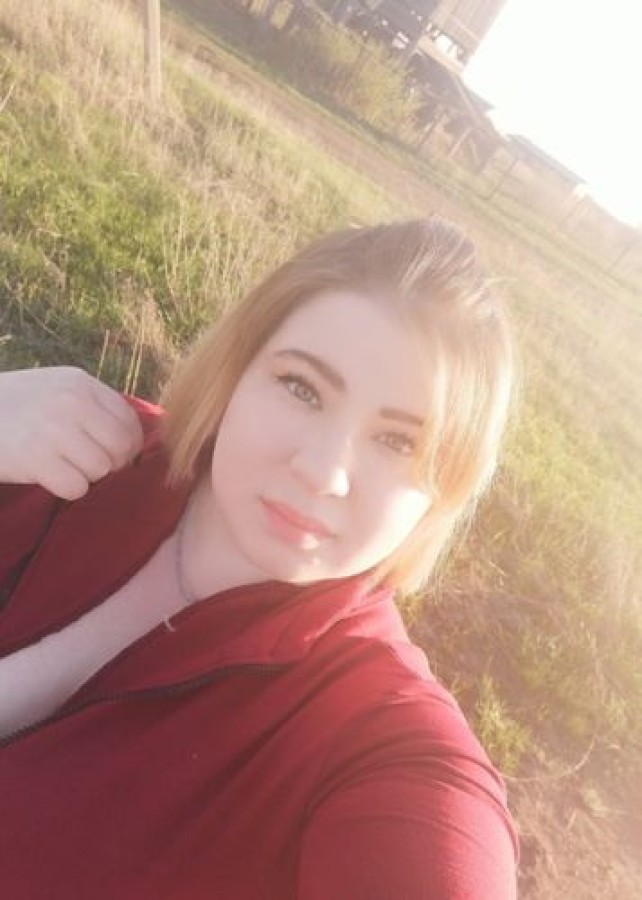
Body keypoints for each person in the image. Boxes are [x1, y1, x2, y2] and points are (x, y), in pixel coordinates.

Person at [0, 218, 518, 898]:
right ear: (237, 368)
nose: (323, 472)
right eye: (302, 388)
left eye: (399, 443)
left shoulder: (378, 740)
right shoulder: (66, 446)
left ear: (444, 489)